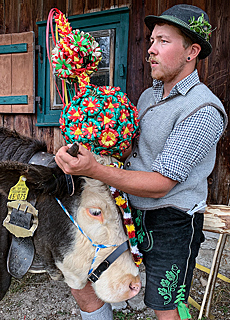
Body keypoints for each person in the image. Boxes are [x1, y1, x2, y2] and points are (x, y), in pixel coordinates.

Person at [55, 4, 228, 320]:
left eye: (163, 41)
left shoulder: (202, 110)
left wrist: (95, 169)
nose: (151, 49)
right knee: (83, 276)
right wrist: (88, 139)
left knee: (165, 306)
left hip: (172, 221)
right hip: (127, 209)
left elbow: (161, 183)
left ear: (192, 51)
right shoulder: (150, 97)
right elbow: (131, 154)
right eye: (151, 40)